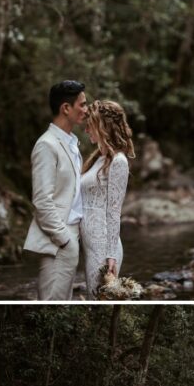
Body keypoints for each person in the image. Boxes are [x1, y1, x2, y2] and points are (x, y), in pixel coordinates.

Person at [24, 80, 89, 299]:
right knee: (51, 307)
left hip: (71, 237)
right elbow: (42, 200)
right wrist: (64, 239)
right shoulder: (47, 145)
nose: (86, 110)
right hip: (58, 241)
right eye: (83, 104)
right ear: (66, 108)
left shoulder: (71, 142)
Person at [80, 100, 134, 299]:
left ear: (103, 127)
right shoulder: (98, 159)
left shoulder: (119, 162)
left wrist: (111, 254)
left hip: (103, 248)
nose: (86, 130)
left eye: (90, 125)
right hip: (90, 244)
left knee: (98, 300)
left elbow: (114, 210)